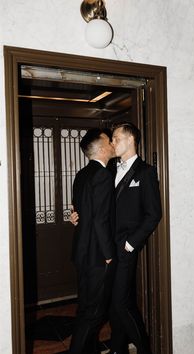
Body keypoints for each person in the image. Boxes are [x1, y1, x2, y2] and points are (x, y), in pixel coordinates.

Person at [70, 122, 162, 354]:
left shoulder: (146, 172)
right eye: (110, 139)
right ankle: (118, 348)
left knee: (121, 304)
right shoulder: (107, 170)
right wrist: (77, 216)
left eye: (116, 138)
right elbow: (96, 208)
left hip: (124, 249)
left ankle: (144, 348)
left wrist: (131, 244)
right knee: (110, 305)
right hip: (103, 251)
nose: (112, 142)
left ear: (131, 140)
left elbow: (153, 215)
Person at [69, 128, 116, 354]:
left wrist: (74, 217)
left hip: (81, 251)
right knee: (94, 313)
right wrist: (108, 254)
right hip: (97, 254)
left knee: (85, 307)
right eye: (109, 140)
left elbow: (79, 211)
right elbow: (100, 219)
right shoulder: (104, 175)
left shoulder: (81, 174)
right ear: (100, 148)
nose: (112, 143)